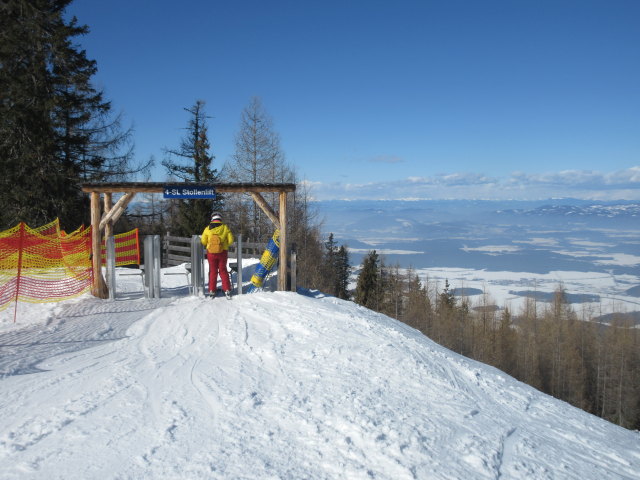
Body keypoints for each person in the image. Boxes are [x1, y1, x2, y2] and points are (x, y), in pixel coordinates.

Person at [201, 212, 234, 297]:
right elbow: (231, 241)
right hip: (222, 252)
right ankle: (227, 289)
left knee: (212, 271)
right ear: (220, 219)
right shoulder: (225, 228)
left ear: (212, 219)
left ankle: (212, 290)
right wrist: (224, 244)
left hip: (211, 253)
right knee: (223, 270)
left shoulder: (207, 228)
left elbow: (203, 241)